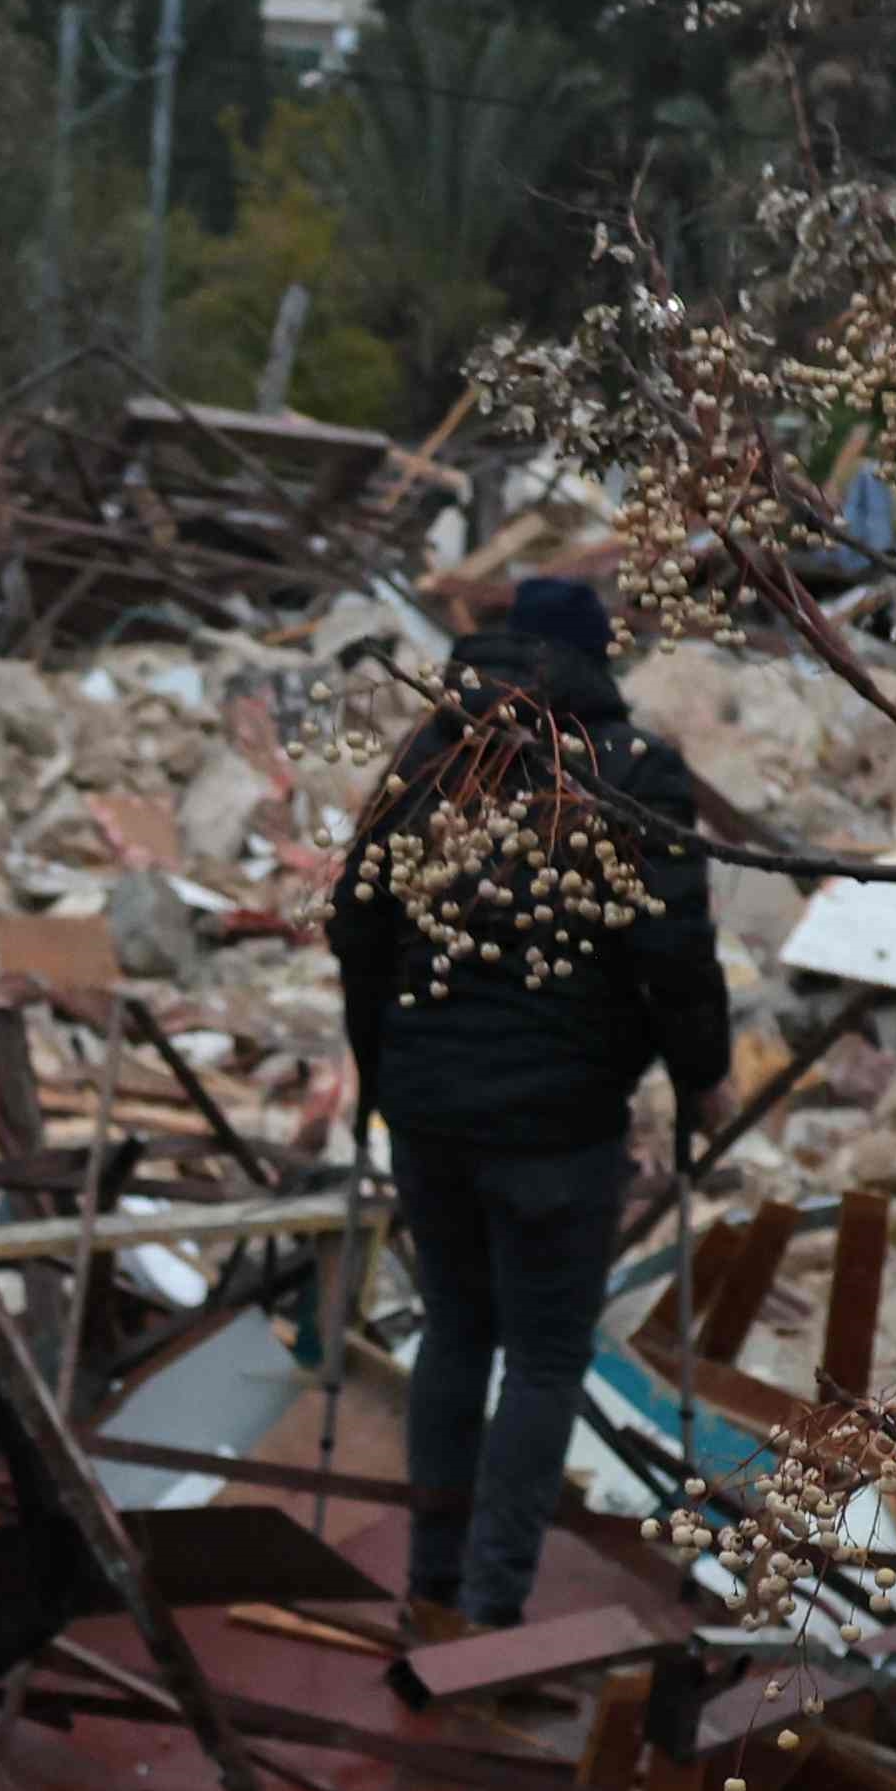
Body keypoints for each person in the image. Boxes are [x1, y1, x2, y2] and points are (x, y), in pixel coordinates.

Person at [327, 575, 740, 1629]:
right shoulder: (628, 772)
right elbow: (673, 952)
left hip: (430, 1114)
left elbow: (357, 928)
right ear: (597, 662)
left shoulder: (435, 758)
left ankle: (430, 1583)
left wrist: (382, 1073)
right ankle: (491, 1604)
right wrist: (702, 1077)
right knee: (545, 1358)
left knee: (456, 1333)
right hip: (559, 1123)